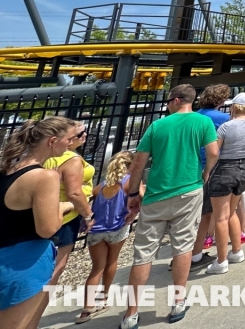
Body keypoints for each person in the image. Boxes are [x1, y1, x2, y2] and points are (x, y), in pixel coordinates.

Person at [120, 84, 219, 328]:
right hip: (189, 188)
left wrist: (134, 192)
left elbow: (138, 164)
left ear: (175, 100)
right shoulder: (201, 122)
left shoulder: (157, 126)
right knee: (183, 245)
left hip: (156, 194)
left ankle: (131, 313)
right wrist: (206, 172)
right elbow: (214, 152)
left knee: (143, 253)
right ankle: (178, 301)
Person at [0, 116, 77, 329]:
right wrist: (64, 207)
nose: (71, 144)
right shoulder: (46, 177)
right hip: (26, 263)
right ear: (52, 141)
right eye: (69, 139)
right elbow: (47, 229)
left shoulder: (8, 169)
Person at [78, 150, 139, 323]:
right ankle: (103, 297)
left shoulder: (102, 186)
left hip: (96, 230)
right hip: (117, 228)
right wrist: (134, 213)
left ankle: (86, 308)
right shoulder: (129, 183)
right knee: (112, 262)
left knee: (97, 267)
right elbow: (141, 196)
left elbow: (88, 199)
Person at [205, 92, 245, 274]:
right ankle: (236, 250)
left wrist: (207, 171)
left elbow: (214, 152)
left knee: (221, 217)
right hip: (243, 168)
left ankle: (221, 261)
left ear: (235, 106)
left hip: (224, 169)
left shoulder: (225, 127)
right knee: (232, 212)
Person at [44, 121, 95, 288]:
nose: (84, 136)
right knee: (57, 266)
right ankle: (38, 304)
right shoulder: (71, 159)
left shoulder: (49, 157)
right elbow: (74, 192)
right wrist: (88, 215)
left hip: (46, 212)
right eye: (79, 134)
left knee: (44, 259)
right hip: (67, 215)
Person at [188, 84, 231, 270]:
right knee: (210, 212)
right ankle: (198, 255)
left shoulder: (192, 116)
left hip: (190, 167)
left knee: (191, 213)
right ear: (221, 100)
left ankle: (187, 253)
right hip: (212, 167)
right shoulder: (223, 118)